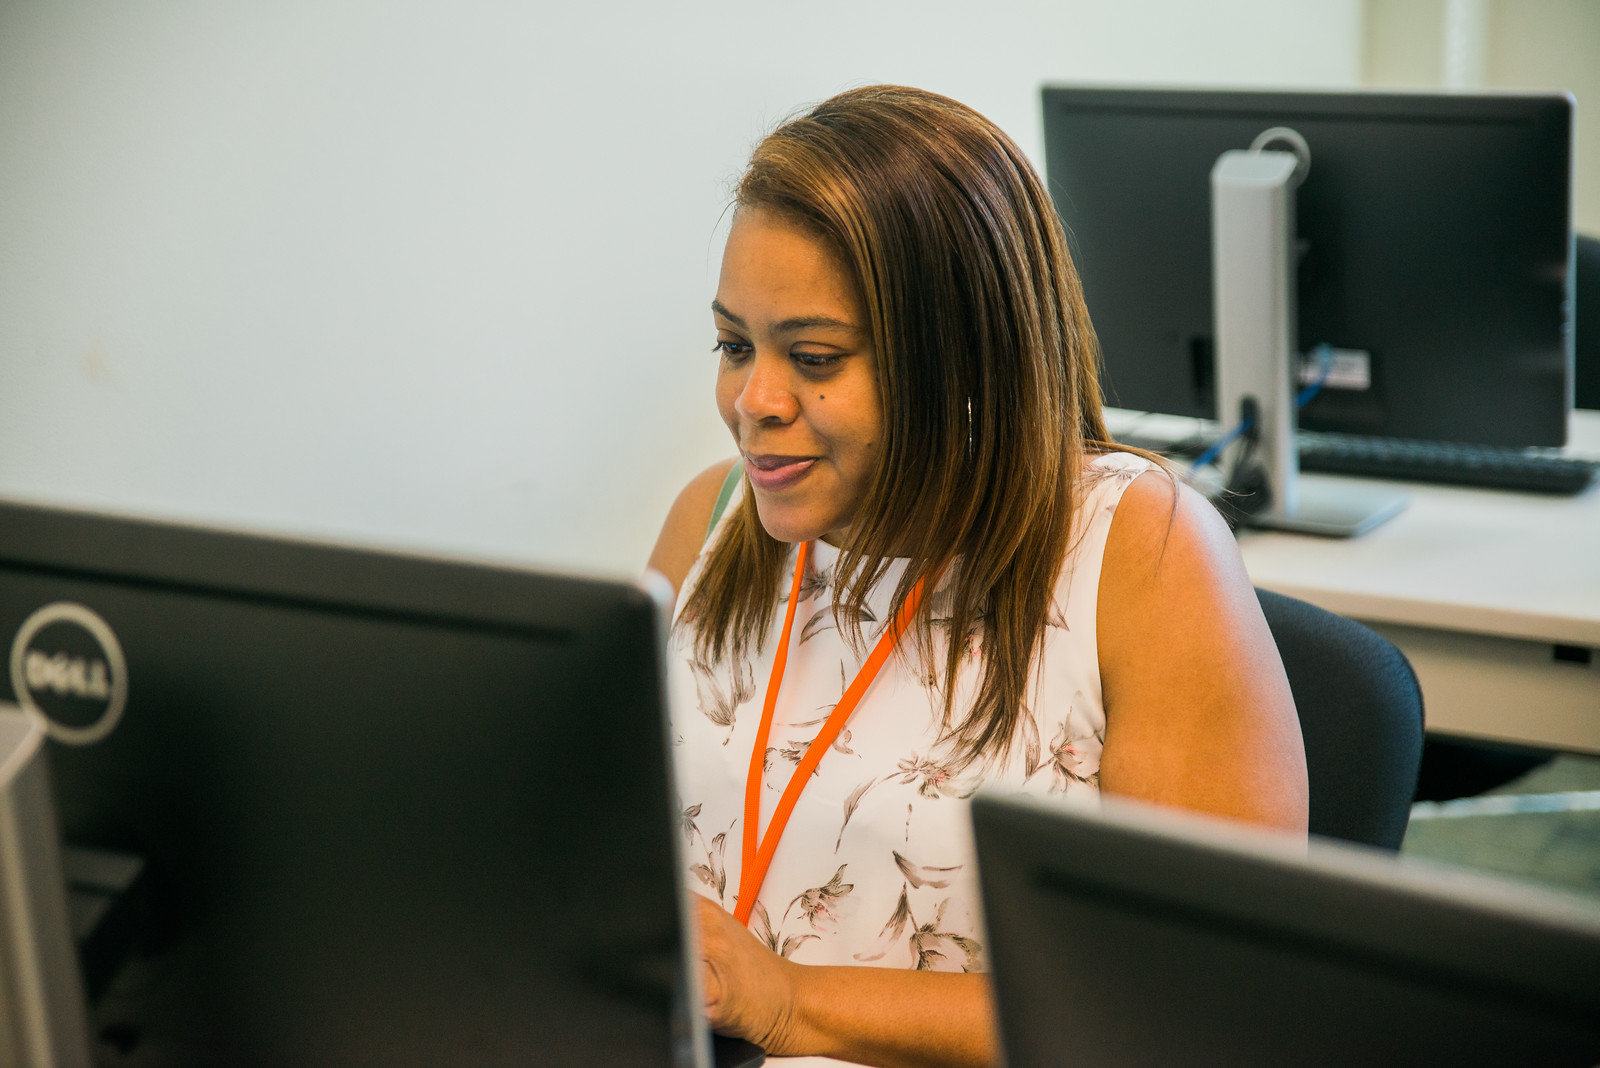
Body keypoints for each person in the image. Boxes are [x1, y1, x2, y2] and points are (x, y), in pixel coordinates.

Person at [648, 85, 1307, 1068]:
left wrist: (792, 1004)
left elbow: (1200, 1004)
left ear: (963, 359)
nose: (753, 399)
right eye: (733, 345)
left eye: (814, 356)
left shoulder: (1135, 551)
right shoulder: (715, 521)